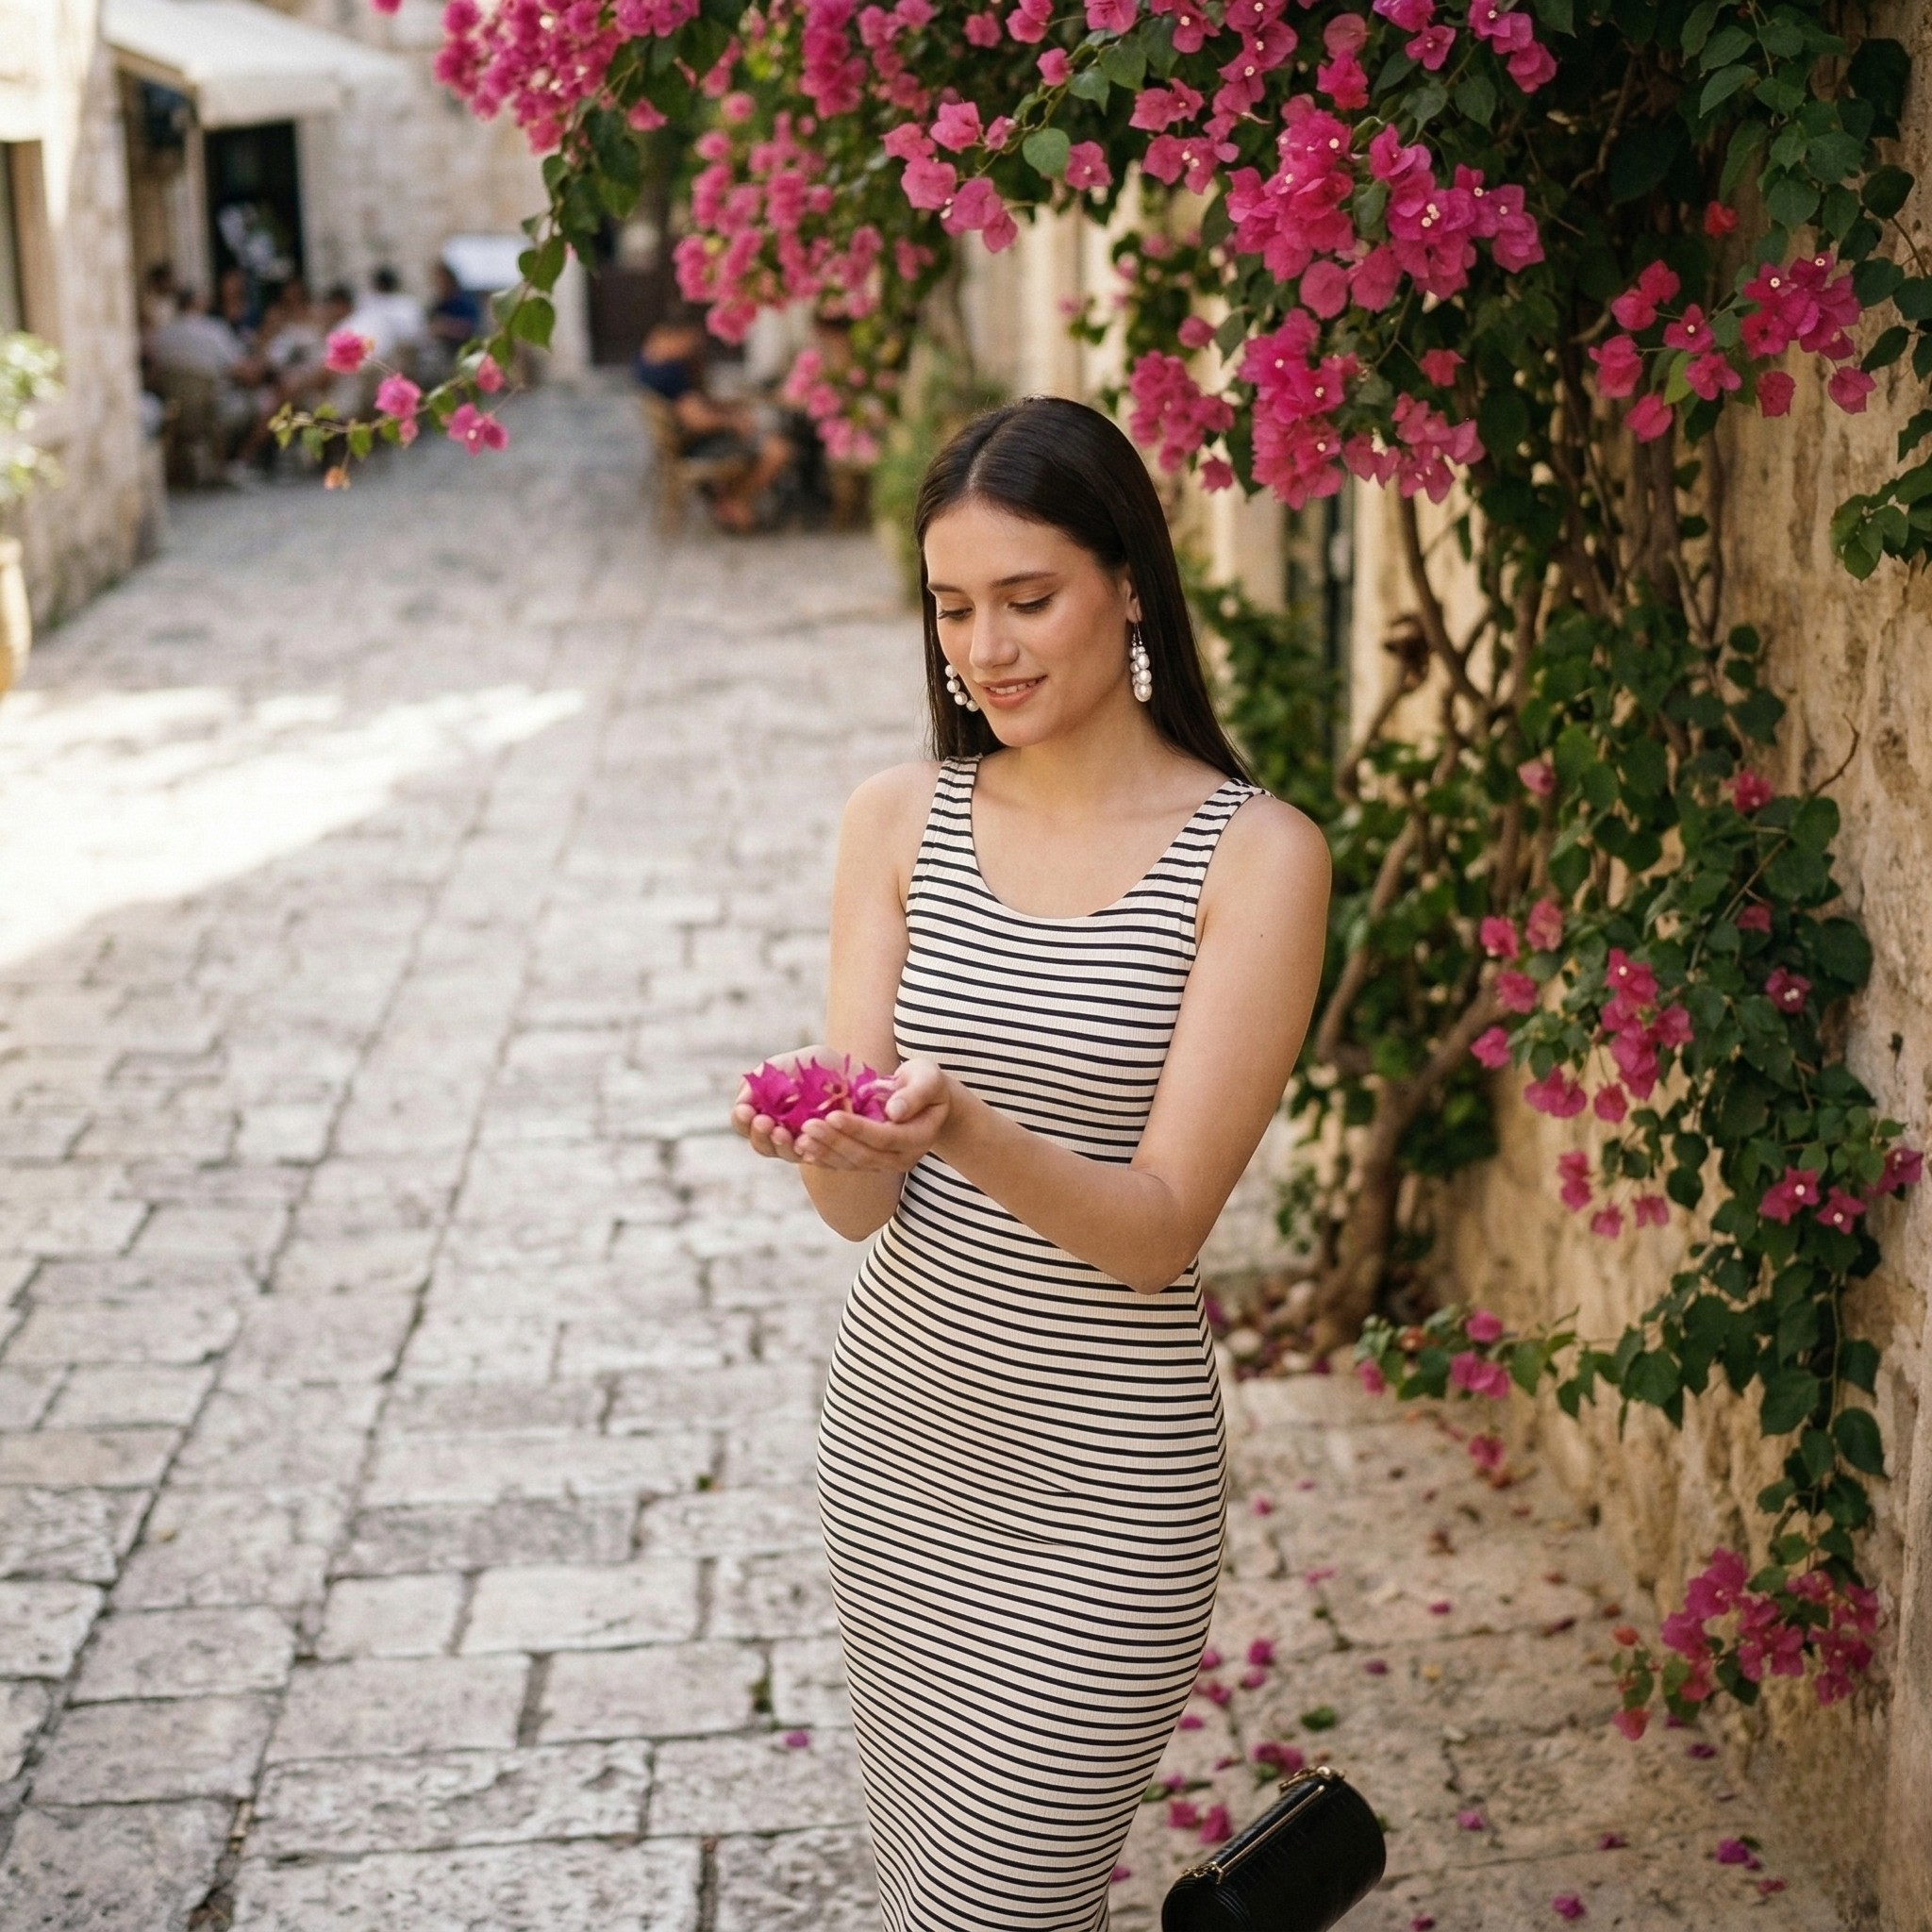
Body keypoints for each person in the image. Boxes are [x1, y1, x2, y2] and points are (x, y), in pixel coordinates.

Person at [731, 396, 1331, 1929]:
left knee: (997, 1903)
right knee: (944, 1896)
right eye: (949, 606)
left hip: (1105, 1488)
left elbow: (1154, 1230)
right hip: (900, 1449)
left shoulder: (1256, 855)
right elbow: (860, 1209)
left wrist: (968, 1128)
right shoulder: (895, 822)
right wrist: (838, 1140)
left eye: (1025, 598)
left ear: (1127, 581)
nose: (981, 647)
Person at [635, 315, 797, 533]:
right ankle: (735, 502)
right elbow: (698, 420)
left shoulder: (646, 361)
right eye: (692, 341)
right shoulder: (669, 373)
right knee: (779, 449)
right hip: (693, 444)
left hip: (680, 441)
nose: (695, 347)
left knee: (758, 431)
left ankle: (731, 499)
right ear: (676, 337)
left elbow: (694, 407)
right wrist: (733, 420)